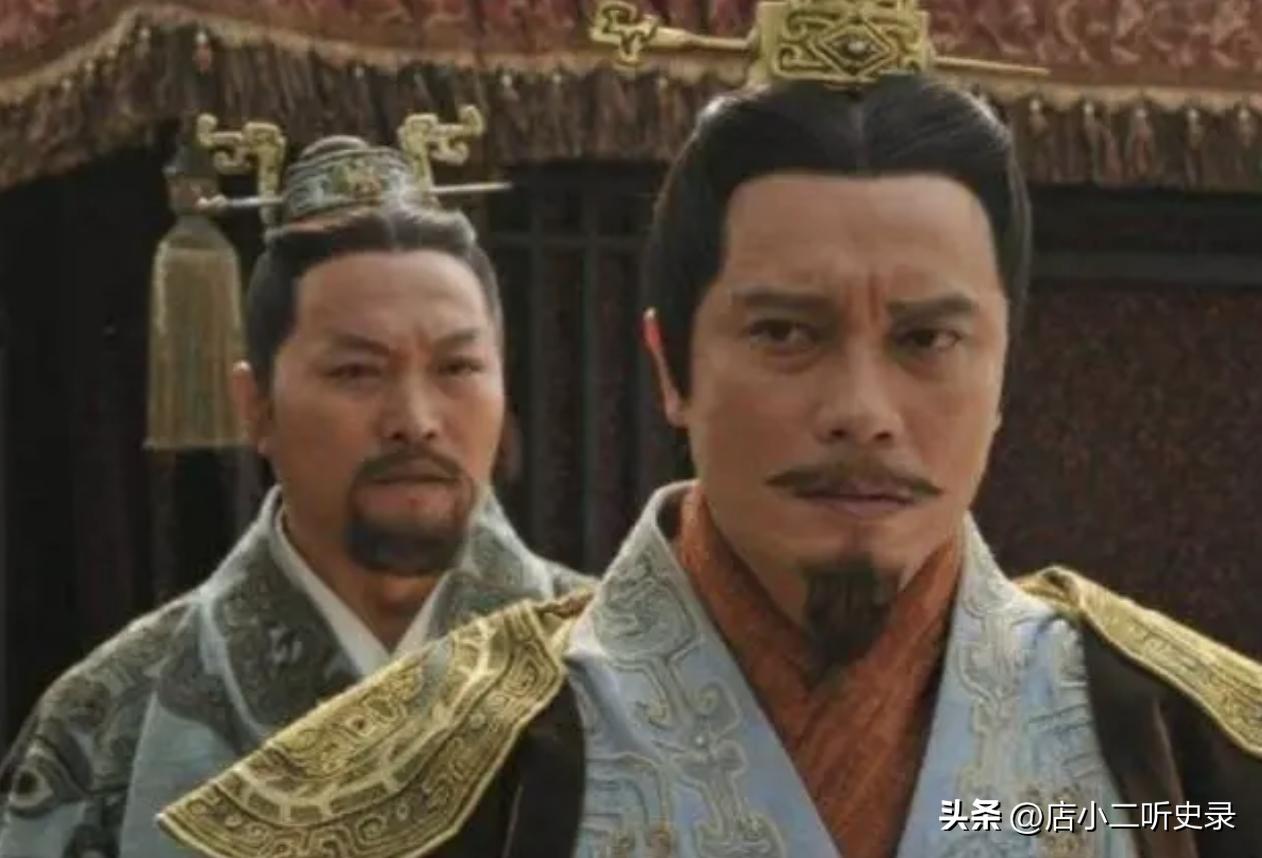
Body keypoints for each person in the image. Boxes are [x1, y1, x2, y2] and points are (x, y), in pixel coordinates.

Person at [158, 6, 1262, 858]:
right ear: (670, 368)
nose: (863, 410)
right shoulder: (433, 780)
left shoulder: (1188, 761)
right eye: (786, 333)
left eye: (927, 340)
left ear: (1004, 368)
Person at [0, 131, 587, 855]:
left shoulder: (631, 678)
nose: (415, 420)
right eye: (356, 372)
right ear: (257, 408)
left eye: (457, 368)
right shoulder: (105, 727)